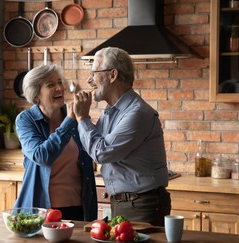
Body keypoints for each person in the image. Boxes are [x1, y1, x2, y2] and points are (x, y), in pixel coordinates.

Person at [73, 47, 171, 226]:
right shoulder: (110, 111)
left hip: (142, 204)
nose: (89, 80)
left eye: (94, 73)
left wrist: (83, 118)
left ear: (112, 75)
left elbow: (101, 153)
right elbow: (96, 146)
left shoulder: (138, 113)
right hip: (123, 202)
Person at [13, 64, 97, 221]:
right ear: (36, 94)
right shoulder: (26, 120)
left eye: (60, 82)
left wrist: (83, 118)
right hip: (41, 210)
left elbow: (94, 149)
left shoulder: (74, 116)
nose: (59, 88)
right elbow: (41, 156)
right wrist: (70, 121)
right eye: (51, 85)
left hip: (79, 208)